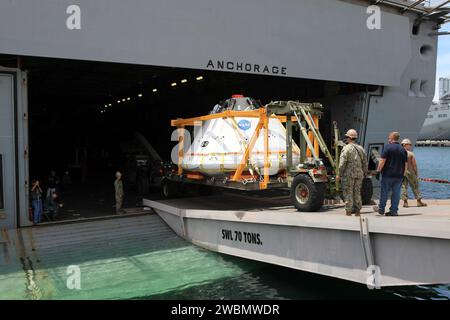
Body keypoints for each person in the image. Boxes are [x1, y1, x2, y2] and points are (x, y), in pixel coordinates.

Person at [373, 132, 408, 216]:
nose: (388, 140)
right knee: (396, 193)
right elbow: (406, 164)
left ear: (392, 138)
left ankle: (381, 209)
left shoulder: (387, 147)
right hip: (399, 176)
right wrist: (404, 175)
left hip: (387, 175)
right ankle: (394, 211)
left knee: (384, 192)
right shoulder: (403, 149)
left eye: (389, 138)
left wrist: (378, 171)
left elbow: (382, 161)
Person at [336, 129, 368, 216]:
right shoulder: (361, 149)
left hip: (349, 175)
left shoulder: (346, 149)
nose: (346, 139)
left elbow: (342, 163)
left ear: (350, 138)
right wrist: (365, 172)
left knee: (348, 192)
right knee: (357, 192)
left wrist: (339, 174)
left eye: (347, 137)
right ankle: (358, 211)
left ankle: (348, 211)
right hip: (359, 174)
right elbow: (365, 163)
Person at [401, 139, 427, 208]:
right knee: (415, 186)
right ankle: (419, 201)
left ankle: (405, 202)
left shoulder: (399, 153)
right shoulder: (410, 153)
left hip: (402, 172)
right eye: (409, 144)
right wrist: (417, 173)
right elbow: (414, 165)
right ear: (405, 145)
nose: (410, 146)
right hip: (410, 172)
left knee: (404, 187)